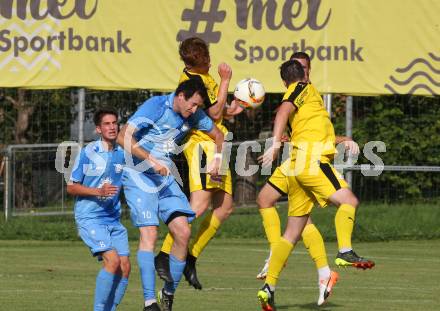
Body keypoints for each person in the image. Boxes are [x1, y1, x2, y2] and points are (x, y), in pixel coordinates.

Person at [257, 60, 374, 311]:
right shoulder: (301, 89)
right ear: (303, 75)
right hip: (312, 163)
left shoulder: (310, 99)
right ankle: (344, 251)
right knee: (349, 201)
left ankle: (269, 286)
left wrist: (343, 140)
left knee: (292, 232)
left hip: (298, 168)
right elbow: (281, 112)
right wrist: (276, 144)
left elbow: (314, 129)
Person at [117, 79, 224, 311]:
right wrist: (151, 160)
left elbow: (219, 135)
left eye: (198, 106)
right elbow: (122, 136)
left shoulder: (193, 115)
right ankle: (149, 303)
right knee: (150, 233)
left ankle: (167, 294)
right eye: (193, 104)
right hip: (137, 171)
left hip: (163, 174)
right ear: (181, 96)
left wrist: (217, 160)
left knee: (183, 231)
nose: (195, 110)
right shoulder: (155, 106)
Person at [155, 36, 242, 290]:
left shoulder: (205, 78)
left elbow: (217, 110)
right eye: (207, 57)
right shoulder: (193, 82)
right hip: (204, 146)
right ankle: (164, 253)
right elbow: (212, 114)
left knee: (224, 207)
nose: (211, 61)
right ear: (201, 60)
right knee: (200, 204)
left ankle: (190, 257)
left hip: (217, 145)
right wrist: (226, 80)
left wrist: (232, 108)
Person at [67, 108, 131, 311]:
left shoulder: (122, 153)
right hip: (90, 217)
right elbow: (71, 186)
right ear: (98, 129)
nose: (112, 127)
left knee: (125, 267)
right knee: (112, 261)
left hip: (113, 218)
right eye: (107, 124)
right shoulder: (89, 153)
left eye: (114, 123)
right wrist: (98, 191)